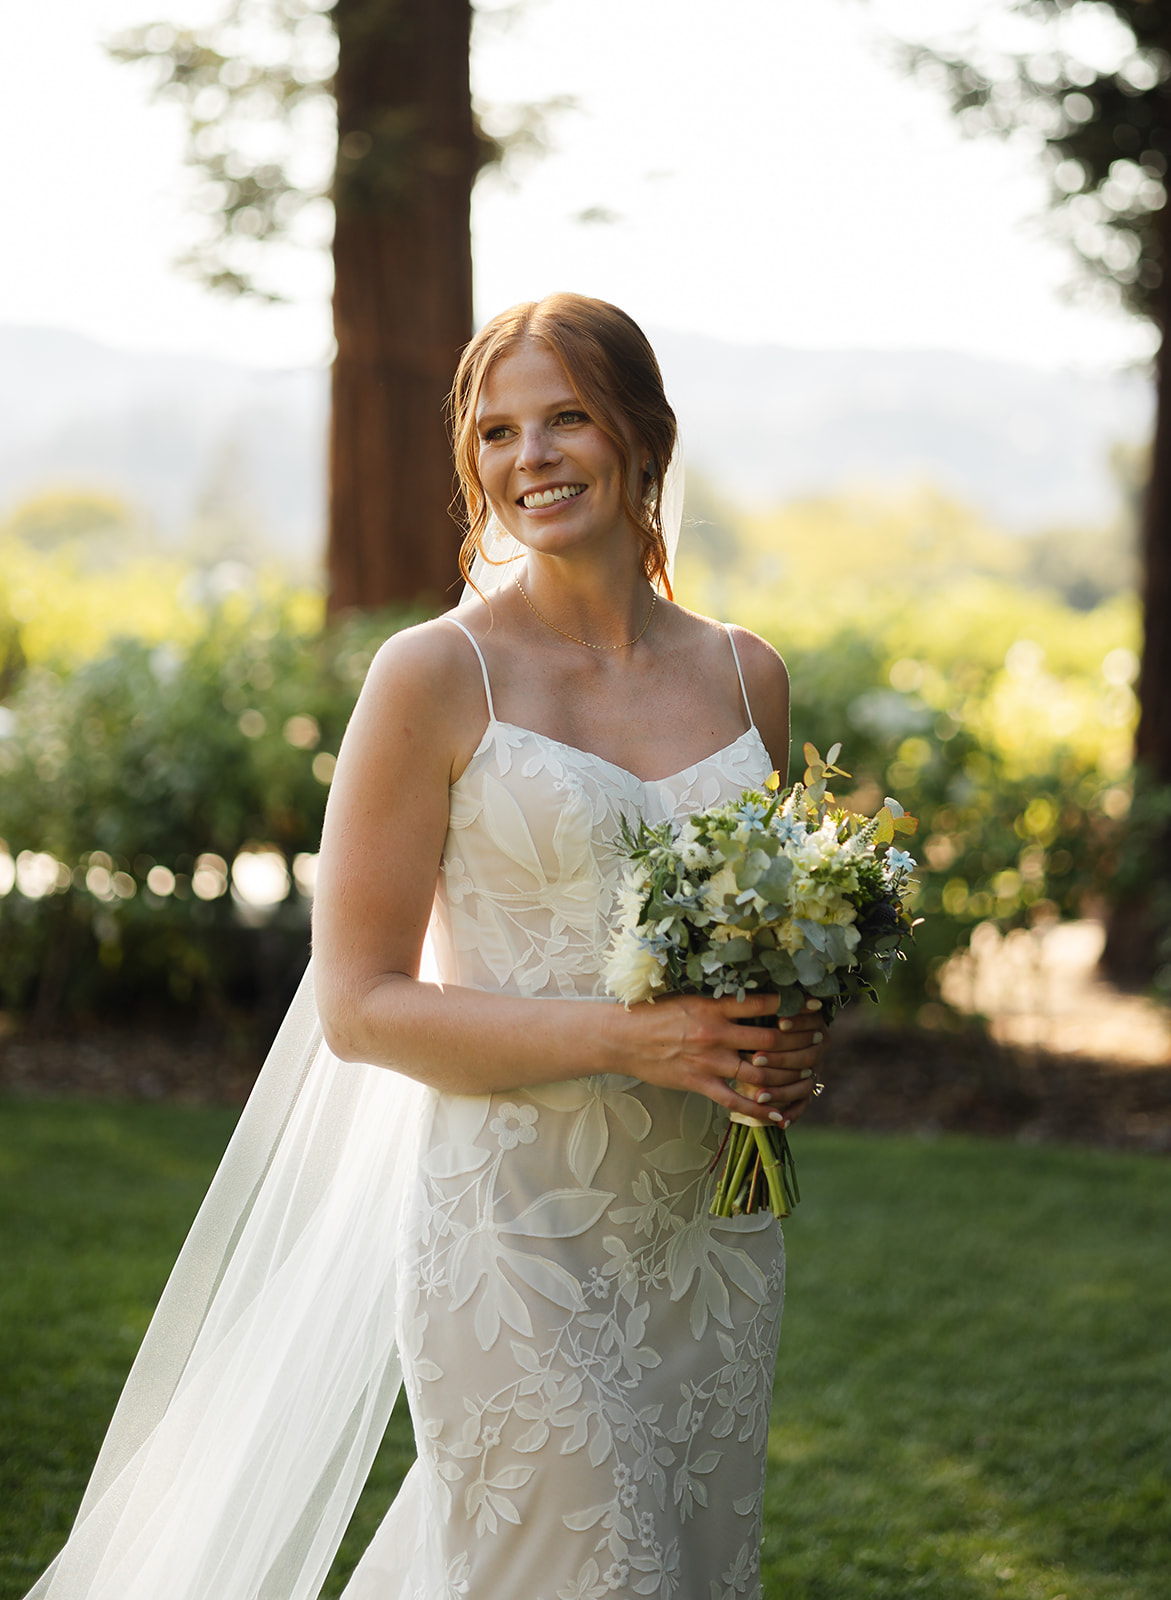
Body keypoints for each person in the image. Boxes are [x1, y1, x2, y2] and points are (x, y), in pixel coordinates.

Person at [24, 294, 825, 1600]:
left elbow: (752, 949)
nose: (532, 458)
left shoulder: (749, 679)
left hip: (707, 1241)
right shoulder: (435, 675)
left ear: (645, 434)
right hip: (513, 1239)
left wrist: (778, 1047)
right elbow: (361, 1007)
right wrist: (636, 1039)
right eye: (498, 431)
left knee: (680, 1571)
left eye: (567, 416)